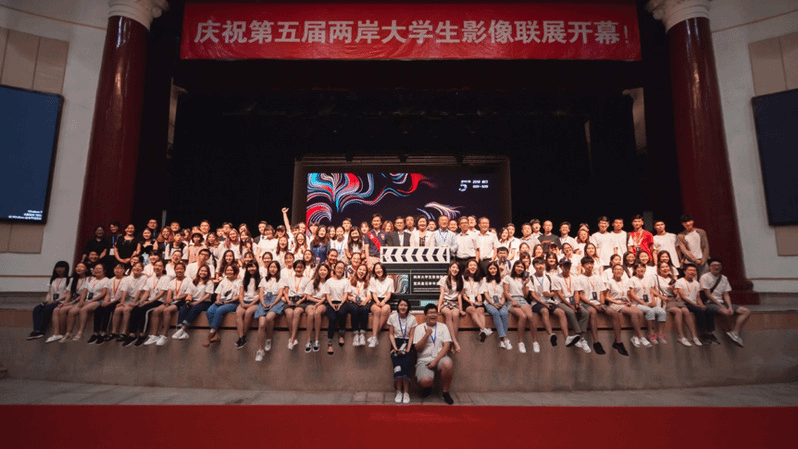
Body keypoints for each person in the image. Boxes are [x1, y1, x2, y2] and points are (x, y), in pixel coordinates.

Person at [576, 256, 627, 355]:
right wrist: (594, 305)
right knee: (592, 312)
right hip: (587, 303)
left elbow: (601, 293)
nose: (590, 266)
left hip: (599, 302)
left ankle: (618, 342)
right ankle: (596, 342)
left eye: (591, 263)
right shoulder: (579, 278)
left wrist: (602, 304)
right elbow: (581, 296)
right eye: (587, 264)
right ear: (582, 266)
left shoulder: (597, 277)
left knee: (614, 313)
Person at [700, 258, 750, 347]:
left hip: (721, 302)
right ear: (709, 267)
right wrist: (722, 306)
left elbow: (726, 294)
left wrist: (730, 306)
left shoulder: (723, 278)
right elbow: (708, 295)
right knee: (726, 312)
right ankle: (729, 329)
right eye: (714, 266)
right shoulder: (705, 277)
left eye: (718, 266)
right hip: (709, 303)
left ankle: (735, 332)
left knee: (746, 311)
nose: (716, 267)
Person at [413, 304, 455, 404]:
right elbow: (418, 348)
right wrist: (426, 335)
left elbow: (447, 345)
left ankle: (445, 392)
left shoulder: (443, 327)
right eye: (430, 313)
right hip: (424, 360)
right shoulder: (419, 328)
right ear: (425, 315)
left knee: (448, 364)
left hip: (440, 358)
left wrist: (435, 361)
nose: (433, 315)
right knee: (425, 381)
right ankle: (428, 387)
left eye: (435, 313)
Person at [649, 261, 698, 347]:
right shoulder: (655, 277)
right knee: (678, 311)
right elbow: (651, 289)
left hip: (674, 299)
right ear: (659, 269)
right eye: (663, 267)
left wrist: (673, 290)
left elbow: (675, 293)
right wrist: (661, 296)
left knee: (685, 311)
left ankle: (694, 336)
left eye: (667, 267)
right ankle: (681, 337)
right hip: (665, 300)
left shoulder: (672, 278)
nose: (665, 269)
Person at [604, 264, 651, 348]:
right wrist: (616, 301)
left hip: (625, 302)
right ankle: (640, 336)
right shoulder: (610, 282)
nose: (618, 271)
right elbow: (606, 297)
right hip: (615, 304)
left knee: (640, 312)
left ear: (623, 272)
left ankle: (635, 337)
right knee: (634, 313)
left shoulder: (626, 281)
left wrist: (629, 301)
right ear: (613, 271)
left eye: (620, 269)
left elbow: (627, 295)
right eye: (616, 269)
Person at [526, 257, 569, 349]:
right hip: (536, 303)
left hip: (548, 301)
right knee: (544, 311)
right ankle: (550, 334)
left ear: (545, 265)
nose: (540, 266)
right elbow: (532, 294)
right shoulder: (531, 278)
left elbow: (553, 291)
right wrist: (543, 303)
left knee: (561, 312)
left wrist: (549, 294)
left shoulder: (549, 277)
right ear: (534, 266)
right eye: (537, 264)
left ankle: (567, 338)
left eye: (542, 264)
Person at [60, 264, 109, 342]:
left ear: (104, 271)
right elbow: (84, 291)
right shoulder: (90, 279)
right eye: (95, 268)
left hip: (98, 300)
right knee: (72, 311)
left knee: (83, 310)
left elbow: (103, 294)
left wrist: (91, 301)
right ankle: (68, 333)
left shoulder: (106, 280)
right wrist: (82, 300)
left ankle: (80, 332)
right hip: (87, 300)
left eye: (99, 269)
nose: (97, 270)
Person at [553, 259, 592, 353]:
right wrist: (570, 306)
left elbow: (576, 292)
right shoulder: (556, 278)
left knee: (585, 313)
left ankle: (580, 337)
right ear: (561, 267)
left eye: (568, 265)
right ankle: (581, 338)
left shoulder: (574, 278)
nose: (567, 268)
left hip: (573, 301)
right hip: (561, 302)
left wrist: (576, 303)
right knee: (571, 312)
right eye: (565, 266)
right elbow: (559, 294)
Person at [503, 260, 541, 353]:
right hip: (511, 299)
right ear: (514, 267)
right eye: (518, 266)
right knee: (522, 316)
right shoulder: (508, 277)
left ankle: (535, 342)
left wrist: (524, 284)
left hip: (522, 299)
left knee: (530, 316)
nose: (519, 268)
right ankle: (520, 342)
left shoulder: (526, 279)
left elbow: (525, 295)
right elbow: (506, 292)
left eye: (521, 267)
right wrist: (513, 301)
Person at [675, 263, 716, 344]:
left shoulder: (697, 283)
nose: (692, 272)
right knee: (699, 311)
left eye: (694, 270)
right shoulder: (679, 281)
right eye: (690, 270)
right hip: (685, 303)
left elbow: (698, 297)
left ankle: (710, 333)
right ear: (684, 271)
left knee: (709, 310)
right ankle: (703, 334)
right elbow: (683, 296)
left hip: (694, 303)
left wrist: (701, 305)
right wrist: (696, 305)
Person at [28, 261, 71, 340]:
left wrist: (55, 301)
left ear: (66, 269)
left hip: (60, 301)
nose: (59, 269)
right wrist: (46, 300)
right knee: (37, 309)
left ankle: (43, 330)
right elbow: (49, 292)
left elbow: (67, 294)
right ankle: (36, 330)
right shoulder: (53, 279)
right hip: (51, 301)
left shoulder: (69, 280)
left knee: (47, 309)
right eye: (57, 267)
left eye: (62, 267)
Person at [627, 262, 667, 345]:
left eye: (642, 267)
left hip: (649, 303)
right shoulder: (632, 279)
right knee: (650, 311)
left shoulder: (649, 278)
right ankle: (651, 333)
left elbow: (651, 291)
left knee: (662, 312)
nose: (641, 269)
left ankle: (660, 334)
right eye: (638, 267)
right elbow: (632, 294)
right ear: (634, 270)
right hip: (637, 303)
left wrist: (653, 301)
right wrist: (642, 302)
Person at [88, 263, 129, 344]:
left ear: (124, 270)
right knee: (98, 309)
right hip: (110, 301)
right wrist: (105, 301)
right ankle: (96, 333)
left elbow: (122, 295)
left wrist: (109, 303)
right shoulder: (110, 280)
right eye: (116, 268)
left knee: (107, 310)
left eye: (120, 268)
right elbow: (108, 294)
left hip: (119, 301)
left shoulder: (126, 280)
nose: (117, 270)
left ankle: (103, 333)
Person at [254, 261, 286, 361]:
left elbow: (280, 293)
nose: (272, 269)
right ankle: (260, 350)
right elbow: (261, 292)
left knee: (269, 318)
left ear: (278, 269)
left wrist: (273, 303)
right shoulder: (264, 279)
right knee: (261, 324)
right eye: (271, 267)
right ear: (268, 269)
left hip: (276, 300)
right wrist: (263, 303)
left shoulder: (281, 280)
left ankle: (268, 338)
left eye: (275, 267)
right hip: (264, 300)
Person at [203, 264, 242, 347]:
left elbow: (239, 296)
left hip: (233, 302)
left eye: (231, 270)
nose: (229, 272)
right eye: (227, 270)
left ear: (235, 271)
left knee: (219, 310)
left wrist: (228, 301)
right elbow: (219, 294)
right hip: (222, 301)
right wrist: (218, 300)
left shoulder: (239, 282)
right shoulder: (223, 281)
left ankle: (210, 335)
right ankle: (216, 334)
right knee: (210, 311)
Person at [388, 298, 416, 404]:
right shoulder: (392, 317)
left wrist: (408, 348)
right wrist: (395, 347)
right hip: (396, 343)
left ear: (408, 307)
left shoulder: (412, 318)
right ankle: (399, 392)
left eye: (405, 305)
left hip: (408, 344)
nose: (403, 307)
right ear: (398, 306)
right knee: (398, 368)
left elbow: (411, 335)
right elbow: (391, 334)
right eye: (401, 305)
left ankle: (406, 393)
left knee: (406, 367)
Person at [282, 259, 312, 350]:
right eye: (297, 267)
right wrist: (288, 301)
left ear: (304, 268)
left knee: (297, 312)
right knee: (289, 313)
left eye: (301, 267)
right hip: (290, 299)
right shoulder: (288, 279)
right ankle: (293, 337)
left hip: (301, 301)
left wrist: (300, 301)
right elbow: (286, 292)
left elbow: (306, 294)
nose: (298, 269)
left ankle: (291, 339)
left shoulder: (308, 280)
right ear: (294, 268)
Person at [461, 259, 492, 341]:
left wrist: (479, 301)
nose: (473, 267)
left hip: (476, 298)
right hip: (466, 299)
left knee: (481, 310)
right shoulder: (463, 278)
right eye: (471, 265)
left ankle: (483, 331)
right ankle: (484, 329)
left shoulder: (480, 279)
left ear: (477, 267)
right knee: (472, 310)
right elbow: (462, 294)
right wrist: (469, 301)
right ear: (467, 267)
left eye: (474, 265)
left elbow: (479, 293)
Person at [437, 262, 465, 353]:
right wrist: (439, 307)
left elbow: (459, 296)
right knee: (448, 314)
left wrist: (460, 309)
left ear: (459, 270)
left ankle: (452, 343)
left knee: (456, 314)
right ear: (450, 268)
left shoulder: (461, 280)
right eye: (453, 267)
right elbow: (442, 294)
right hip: (445, 301)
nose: (455, 270)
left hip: (455, 302)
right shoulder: (444, 279)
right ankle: (455, 342)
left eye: (457, 268)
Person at [234, 261, 261, 349]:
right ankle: (241, 337)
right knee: (239, 313)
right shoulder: (244, 279)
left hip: (255, 302)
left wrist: (251, 304)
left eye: (253, 267)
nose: (251, 269)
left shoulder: (261, 279)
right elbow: (241, 293)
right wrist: (242, 302)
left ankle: (243, 336)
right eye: (249, 267)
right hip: (244, 301)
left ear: (257, 268)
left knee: (248, 313)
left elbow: (260, 295)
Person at [324, 261, 350, 354]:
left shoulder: (346, 281)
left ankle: (341, 335)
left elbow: (345, 294)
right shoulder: (329, 281)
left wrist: (341, 303)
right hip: (331, 302)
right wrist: (331, 304)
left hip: (342, 302)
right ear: (334, 268)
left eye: (342, 268)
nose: (340, 270)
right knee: (332, 318)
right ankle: (330, 343)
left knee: (341, 313)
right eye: (338, 268)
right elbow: (327, 294)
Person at [367, 263, 394, 347]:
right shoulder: (372, 280)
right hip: (375, 299)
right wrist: (377, 301)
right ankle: (374, 337)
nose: (378, 270)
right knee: (377, 310)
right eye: (376, 269)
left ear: (383, 269)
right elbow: (374, 293)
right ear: (374, 271)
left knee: (385, 310)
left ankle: (374, 336)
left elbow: (389, 294)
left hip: (386, 299)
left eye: (380, 268)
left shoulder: (390, 280)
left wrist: (384, 301)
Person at [344, 264, 371, 346]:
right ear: (356, 270)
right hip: (352, 301)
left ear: (366, 272)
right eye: (360, 269)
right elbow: (347, 295)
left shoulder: (367, 282)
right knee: (354, 309)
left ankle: (362, 334)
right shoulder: (350, 281)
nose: (361, 272)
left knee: (364, 309)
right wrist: (353, 299)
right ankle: (355, 334)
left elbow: (369, 296)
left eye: (364, 270)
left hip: (363, 301)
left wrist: (365, 302)